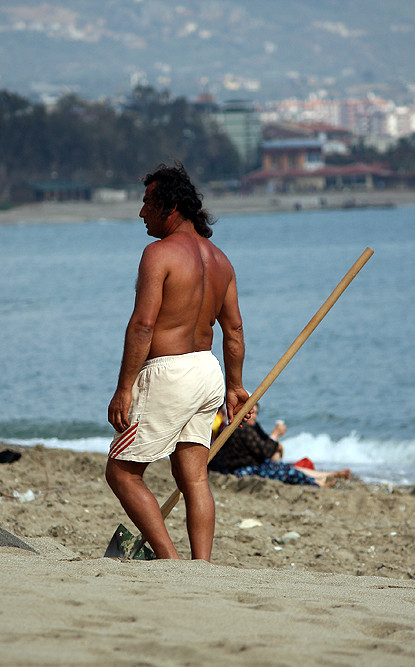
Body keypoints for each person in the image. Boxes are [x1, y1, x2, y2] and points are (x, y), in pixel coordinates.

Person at [106, 161, 250, 561]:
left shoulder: (159, 254)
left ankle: (169, 560)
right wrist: (236, 387)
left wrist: (124, 388)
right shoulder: (221, 260)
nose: (141, 213)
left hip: (169, 373)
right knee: (194, 476)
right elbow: (234, 331)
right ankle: (200, 566)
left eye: (147, 203)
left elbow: (143, 326)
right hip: (207, 371)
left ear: (169, 207)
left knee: (121, 472)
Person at [209, 403, 351, 486]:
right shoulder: (241, 428)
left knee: (286, 467)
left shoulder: (251, 426)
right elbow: (265, 450)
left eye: (256, 413)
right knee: (285, 470)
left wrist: (275, 442)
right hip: (237, 470)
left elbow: (264, 445)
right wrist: (276, 434)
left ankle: (327, 475)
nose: (255, 416)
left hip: (250, 465)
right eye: (252, 413)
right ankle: (318, 482)